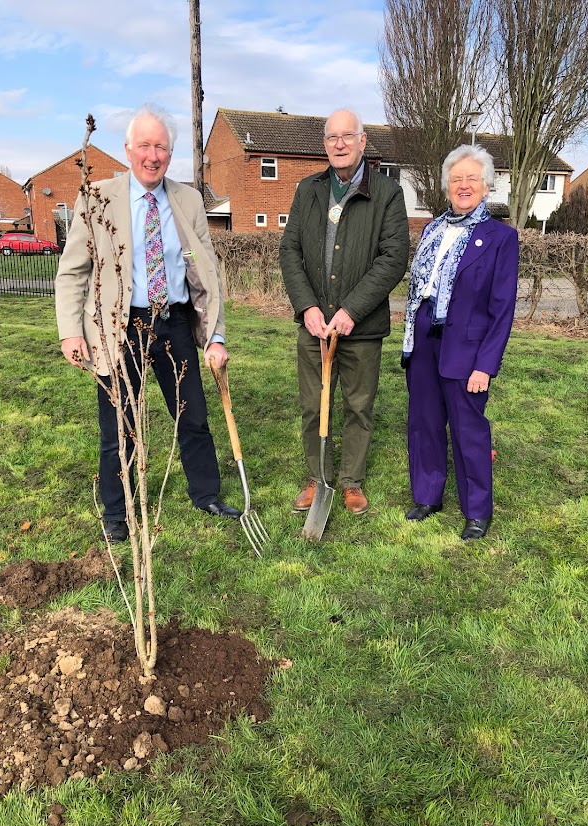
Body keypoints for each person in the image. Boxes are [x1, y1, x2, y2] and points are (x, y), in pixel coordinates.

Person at [55, 103, 240, 543]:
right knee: (119, 425)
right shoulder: (97, 198)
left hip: (173, 324)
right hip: (119, 328)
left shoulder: (189, 200)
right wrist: (71, 331)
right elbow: (73, 271)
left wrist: (214, 335)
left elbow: (205, 273)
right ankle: (117, 513)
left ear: (170, 154)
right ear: (128, 149)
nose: (152, 156)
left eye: (161, 147)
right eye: (144, 146)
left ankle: (206, 495)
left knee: (193, 416)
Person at [280, 108, 409, 515]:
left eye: (347, 136)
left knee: (358, 405)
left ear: (362, 141)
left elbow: (394, 257)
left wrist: (352, 310)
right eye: (332, 137)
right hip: (315, 325)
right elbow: (290, 251)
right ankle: (317, 477)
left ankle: (351, 481)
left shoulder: (388, 193)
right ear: (325, 144)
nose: (339, 144)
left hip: (362, 327)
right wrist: (307, 306)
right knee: (312, 404)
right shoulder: (308, 190)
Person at [402, 144, 518, 540]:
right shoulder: (432, 229)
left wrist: (485, 365)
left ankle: (477, 510)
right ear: (446, 186)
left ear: (486, 185)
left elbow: (502, 309)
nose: (463, 186)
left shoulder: (500, 237)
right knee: (424, 421)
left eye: (471, 179)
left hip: (467, 349)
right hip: (423, 340)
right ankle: (428, 495)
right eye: (456, 180)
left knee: (469, 430)